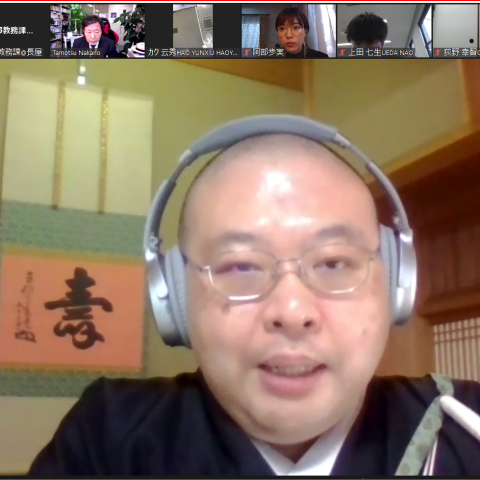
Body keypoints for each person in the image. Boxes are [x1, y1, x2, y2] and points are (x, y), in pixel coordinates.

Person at [29, 116, 480, 476]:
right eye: (241, 266)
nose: (293, 311)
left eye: (333, 263)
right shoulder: (110, 436)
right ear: (175, 301)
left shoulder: (463, 426)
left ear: (398, 283)